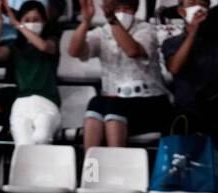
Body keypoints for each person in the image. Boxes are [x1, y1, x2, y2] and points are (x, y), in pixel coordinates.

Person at [69, 0, 170, 147]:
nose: (122, 12)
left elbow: (132, 50)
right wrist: (85, 22)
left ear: (135, 10)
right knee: (96, 103)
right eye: (117, 8)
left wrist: (112, 19)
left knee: (114, 107)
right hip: (115, 101)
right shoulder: (102, 32)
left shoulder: (145, 29)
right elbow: (74, 51)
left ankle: (116, 162)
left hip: (150, 102)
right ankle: (89, 165)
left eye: (127, 8)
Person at [163, 0, 218, 163]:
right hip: (187, 110)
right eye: (192, 3)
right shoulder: (170, 42)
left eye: (203, 4)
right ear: (181, 11)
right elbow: (174, 68)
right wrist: (192, 33)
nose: (198, 8)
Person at [0, 0, 61, 147]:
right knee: (24, 144)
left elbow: (43, 46)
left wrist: (18, 24)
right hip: (21, 103)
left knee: (41, 137)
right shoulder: (16, 47)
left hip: (47, 102)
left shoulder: (52, 42)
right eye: (27, 20)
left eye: (36, 20)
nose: (31, 23)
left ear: (44, 22)